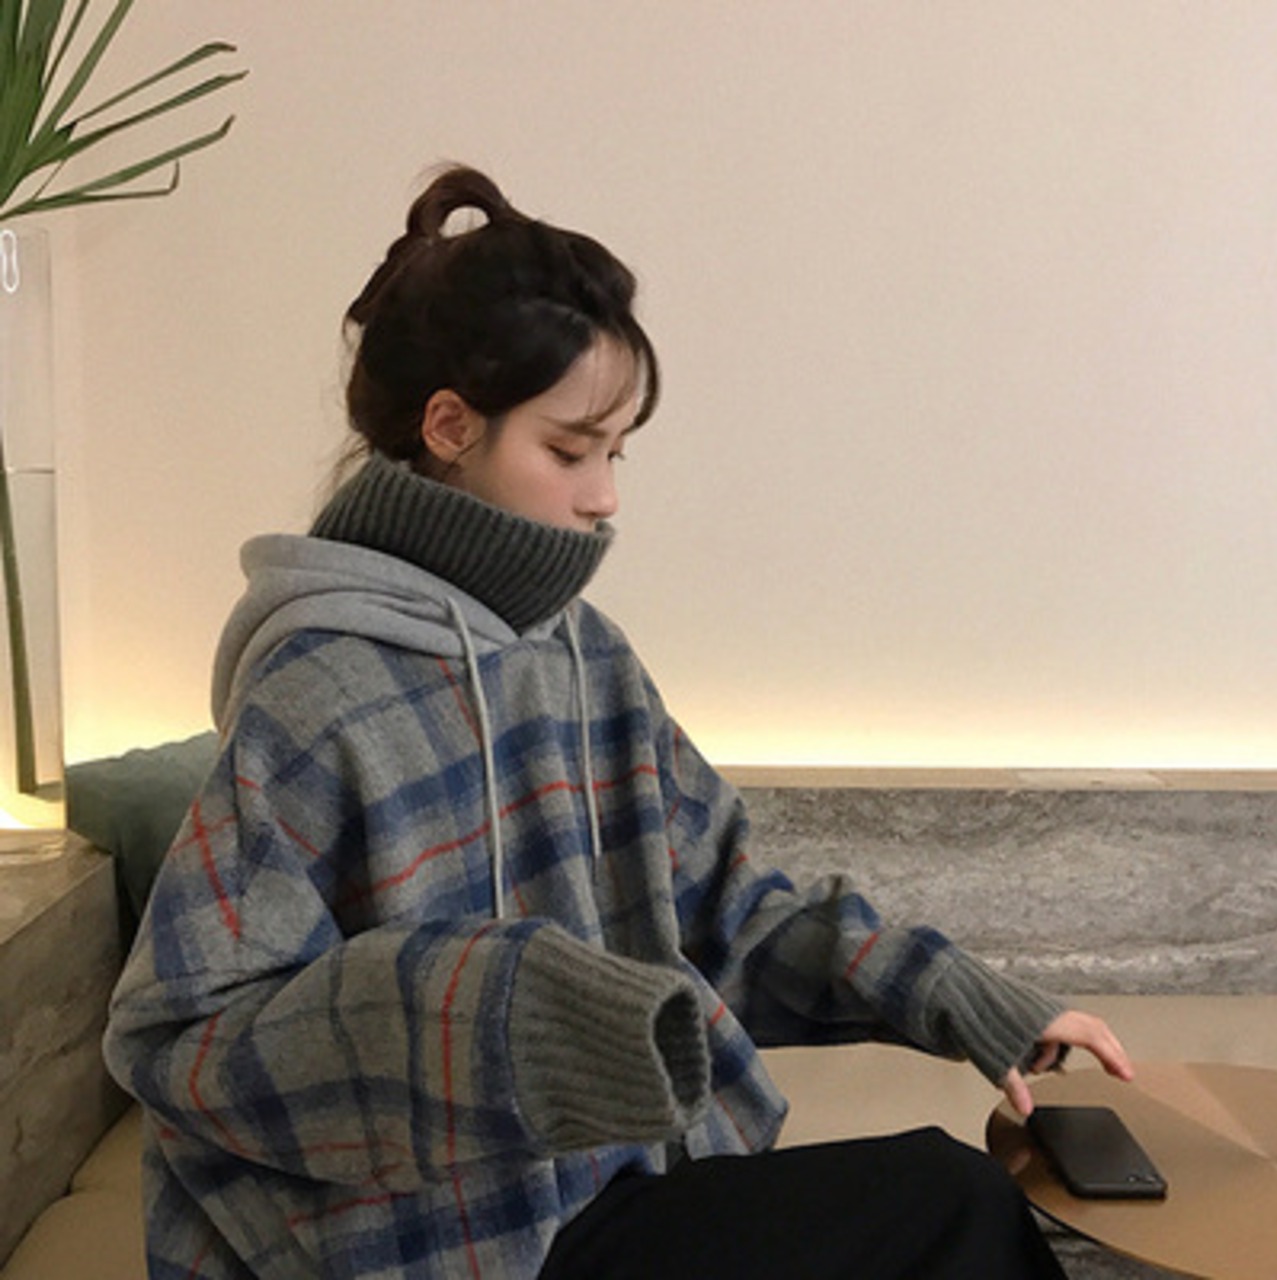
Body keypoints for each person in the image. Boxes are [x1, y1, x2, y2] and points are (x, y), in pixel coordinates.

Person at [104, 165, 1132, 1279]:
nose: (604, 496)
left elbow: (728, 910)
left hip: (602, 1201)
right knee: (946, 1206)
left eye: (616, 451)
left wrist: (953, 994)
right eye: (569, 449)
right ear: (449, 425)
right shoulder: (318, 692)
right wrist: (483, 1011)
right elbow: (180, 1034)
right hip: (425, 1248)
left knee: (949, 1196)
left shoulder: (582, 655)